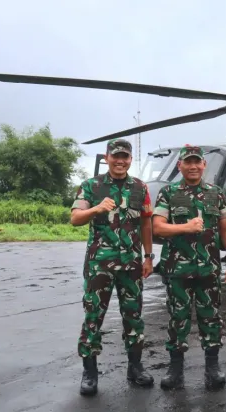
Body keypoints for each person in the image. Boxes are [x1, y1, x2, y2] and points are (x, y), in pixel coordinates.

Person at [70, 138, 155, 396]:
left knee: (133, 316)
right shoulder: (91, 186)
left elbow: (146, 224)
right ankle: (90, 372)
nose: (120, 160)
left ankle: (135, 367)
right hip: (100, 265)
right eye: (115, 156)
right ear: (106, 157)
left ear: (130, 159)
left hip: (131, 264)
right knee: (94, 315)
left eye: (125, 156)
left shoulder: (141, 188)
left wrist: (149, 256)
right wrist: (96, 208)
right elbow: (75, 218)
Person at [151, 145, 226, 390]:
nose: (192, 166)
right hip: (177, 270)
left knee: (211, 317)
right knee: (178, 318)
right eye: (187, 162)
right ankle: (175, 368)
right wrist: (185, 227)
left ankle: (212, 367)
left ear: (203, 165)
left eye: (196, 162)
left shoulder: (216, 193)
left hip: (208, 269)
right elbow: (158, 227)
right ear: (180, 166)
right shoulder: (168, 193)